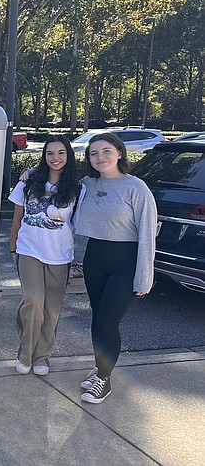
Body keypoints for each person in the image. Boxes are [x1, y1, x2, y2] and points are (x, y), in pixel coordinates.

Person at [75, 133, 157, 404]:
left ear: (120, 153)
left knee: (109, 321)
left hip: (126, 261)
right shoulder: (86, 184)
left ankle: (104, 381)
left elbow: (147, 234)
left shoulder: (136, 188)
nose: (100, 157)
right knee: (97, 319)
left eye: (106, 151)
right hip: (95, 258)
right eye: (94, 153)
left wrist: (144, 278)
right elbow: (55, 184)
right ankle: (101, 370)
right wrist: (30, 174)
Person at [9, 136, 82, 377]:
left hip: (60, 255)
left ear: (68, 156)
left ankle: (42, 356)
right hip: (29, 250)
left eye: (61, 153)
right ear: (44, 156)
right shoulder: (28, 183)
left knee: (51, 310)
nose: (55, 158)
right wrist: (12, 248)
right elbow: (17, 219)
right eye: (50, 153)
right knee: (33, 302)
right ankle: (25, 354)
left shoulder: (78, 187)